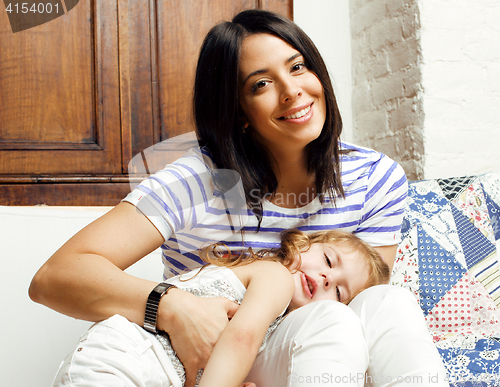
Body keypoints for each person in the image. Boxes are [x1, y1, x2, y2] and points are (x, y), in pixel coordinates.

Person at [30, 9, 448, 387]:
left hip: (312, 357)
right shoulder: (198, 180)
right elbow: (55, 277)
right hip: (198, 359)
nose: (292, 91)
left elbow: (363, 306)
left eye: (299, 67)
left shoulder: (374, 177)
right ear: (238, 114)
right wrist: (173, 308)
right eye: (261, 84)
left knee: (388, 300)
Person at [50, 229, 390, 387]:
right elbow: (241, 337)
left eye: (341, 292)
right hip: (124, 360)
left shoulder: (281, 325)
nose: (328, 278)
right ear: (302, 245)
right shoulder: (275, 276)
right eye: (329, 261)